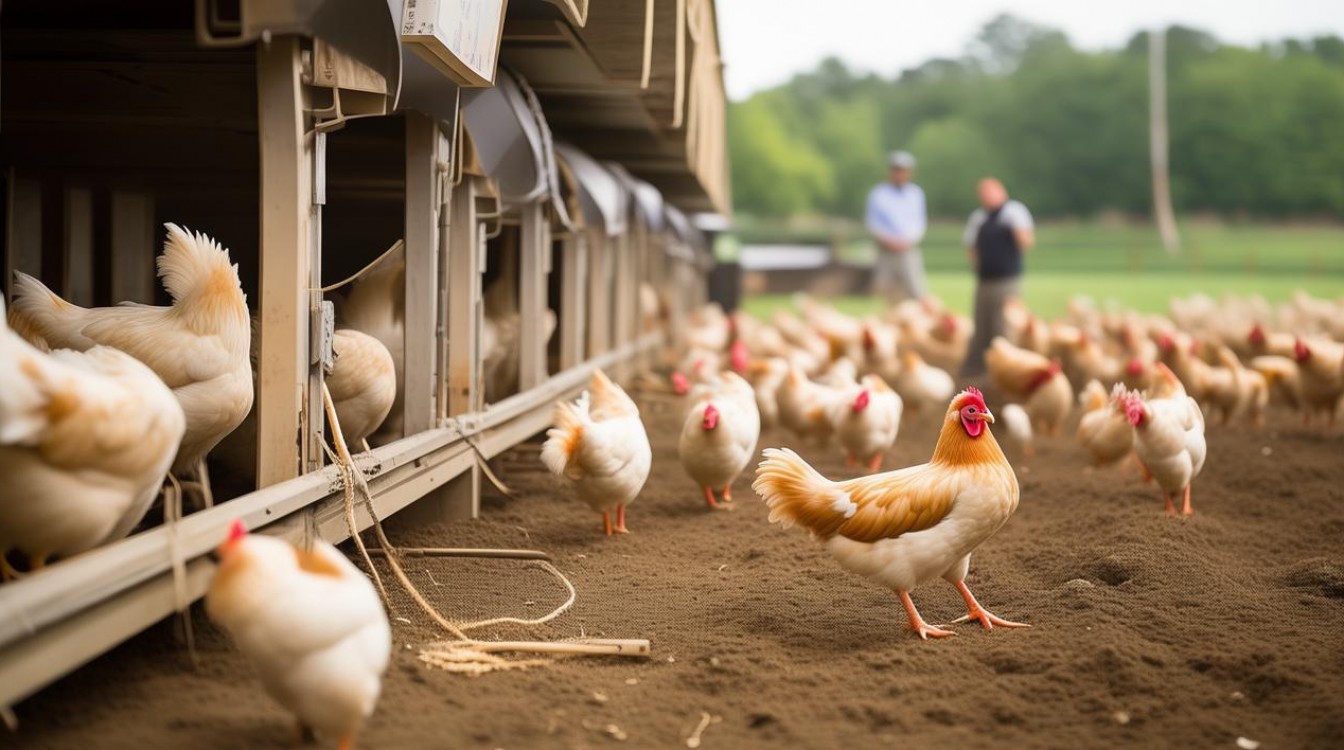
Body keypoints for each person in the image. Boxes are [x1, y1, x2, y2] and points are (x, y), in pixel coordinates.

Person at [961, 177, 1035, 378]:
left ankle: (1005, 371)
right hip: (985, 280)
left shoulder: (1013, 212)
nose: (988, 197)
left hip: (1006, 280)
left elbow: (1026, 241)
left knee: (1002, 326)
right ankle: (975, 370)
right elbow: (971, 246)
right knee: (981, 326)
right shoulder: (979, 217)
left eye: (991, 192)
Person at [864, 150, 927, 304]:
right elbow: (872, 222)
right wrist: (888, 239)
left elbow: (919, 223)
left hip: (907, 250)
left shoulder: (915, 194)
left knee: (916, 290)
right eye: (896, 170)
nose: (899, 174)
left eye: (903, 171)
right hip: (885, 250)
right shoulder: (878, 194)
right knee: (885, 291)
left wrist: (907, 240)